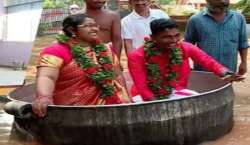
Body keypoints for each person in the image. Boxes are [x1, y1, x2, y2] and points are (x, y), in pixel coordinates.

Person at [32, 14, 131, 117]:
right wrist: (44, 97)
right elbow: (47, 77)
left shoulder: (106, 49)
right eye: (88, 25)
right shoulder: (56, 51)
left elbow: (118, 75)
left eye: (95, 25)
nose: (95, 29)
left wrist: (127, 100)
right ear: (71, 30)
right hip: (74, 111)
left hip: (111, 105)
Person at [128, 18, 244, 102]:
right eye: (167, 37)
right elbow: (142, 88)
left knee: (197, 102)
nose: (174, 40)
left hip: (175, 91)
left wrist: (227, 73)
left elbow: (208, 61)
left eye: (176, 36)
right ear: (153, 38)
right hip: (144, 96)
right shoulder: (136, 56)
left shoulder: (184, 47)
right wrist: (157, 106)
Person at [184, 0, 249, 75]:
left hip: (229, 71)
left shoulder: (238, 18)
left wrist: (244, 62)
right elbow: (187, 45)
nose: (224, 1)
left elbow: (243, 43)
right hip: (204, 71)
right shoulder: (195, 20)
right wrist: (186, 65)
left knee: (226, 87)